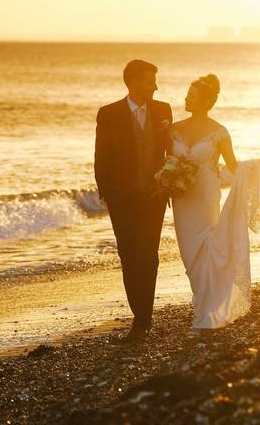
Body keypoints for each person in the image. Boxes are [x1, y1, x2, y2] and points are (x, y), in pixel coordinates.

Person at [169, 74, 260, 333]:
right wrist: (167, 179)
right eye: (187, 93)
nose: (187, 97)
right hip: (182, 198)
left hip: (205, 195)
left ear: (206, 101)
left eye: (192, 95)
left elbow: (233, 167)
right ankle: (205, 306)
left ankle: (205, 314)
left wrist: (253, 170)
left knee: (207, 249)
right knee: (190, 255)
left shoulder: (219, 132)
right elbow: (167, 163)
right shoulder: (173, 129)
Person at [94, 59, 173, 342]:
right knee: (128, 255)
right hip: (122, 198)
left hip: (154, 196)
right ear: (134, 82)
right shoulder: (109, 113)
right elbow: (101, 156)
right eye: (151, 80)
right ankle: (138, 311)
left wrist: (170, 183)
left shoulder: (163, 110)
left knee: (149, 255)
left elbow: (170, 152)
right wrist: (107, 193)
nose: (155, 86)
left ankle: (143, 321)